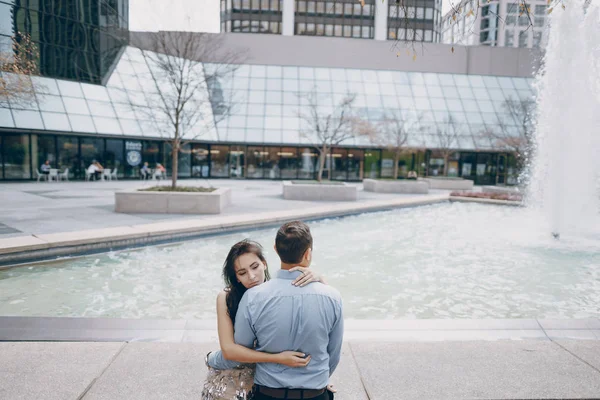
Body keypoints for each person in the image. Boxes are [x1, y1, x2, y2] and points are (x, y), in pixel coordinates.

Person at [208, 221, 343, 400]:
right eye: (242, 272)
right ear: (308, 253)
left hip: (268, 392)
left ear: (268, 258)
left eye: (254, 267)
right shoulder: (332, 296)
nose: (252, 276)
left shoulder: (254, 298)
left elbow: (241, 346)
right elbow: (333, 352)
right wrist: (317, 377)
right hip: (312, 393)